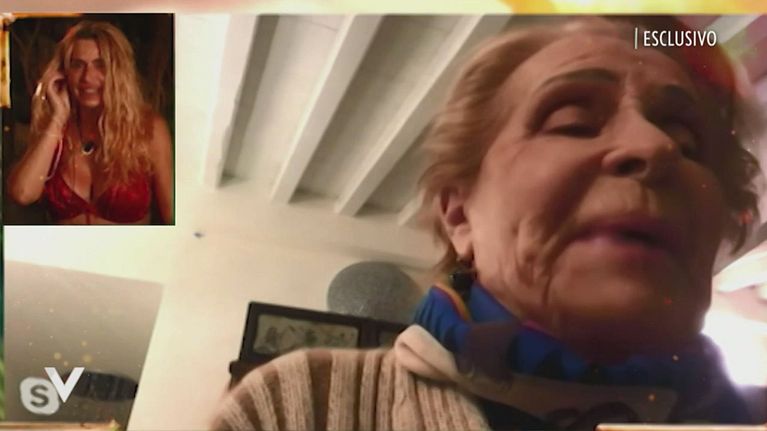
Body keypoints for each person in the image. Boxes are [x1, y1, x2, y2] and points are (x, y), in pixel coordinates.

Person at [211, 16, 764, 430]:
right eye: (572, 122)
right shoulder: (297, 408)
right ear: (459, 215)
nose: (655, 146)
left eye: (687, 141)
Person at [7, 21, 173, 225]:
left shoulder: (149, 129)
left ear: (118, 72)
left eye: (100, 65)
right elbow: (22, 194)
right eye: (77, 65)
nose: (87, 77)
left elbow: (173, 216)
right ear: (64, 73)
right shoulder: (54, 129)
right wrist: (58, 118)